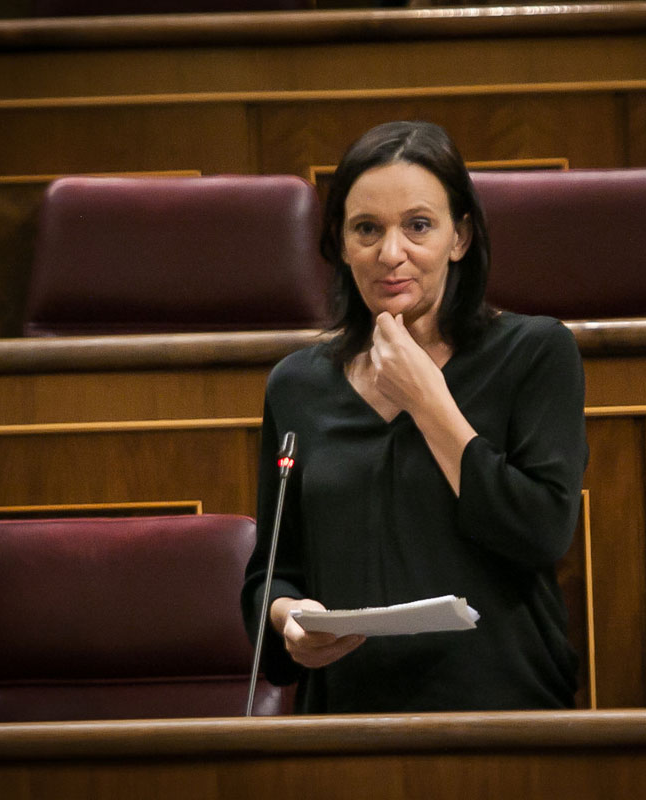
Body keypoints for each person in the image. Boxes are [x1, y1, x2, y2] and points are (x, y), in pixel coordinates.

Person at [241, 120, 588, 713]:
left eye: (418, 226)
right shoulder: (297, 385)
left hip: (501, 708)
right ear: (342, 245)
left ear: (460, 236)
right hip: (346, 713)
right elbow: (274, 569)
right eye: (367, 229)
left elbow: (541, 531)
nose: (390, 253)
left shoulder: (535, 353)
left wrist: (428, 401)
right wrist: (290, 617)